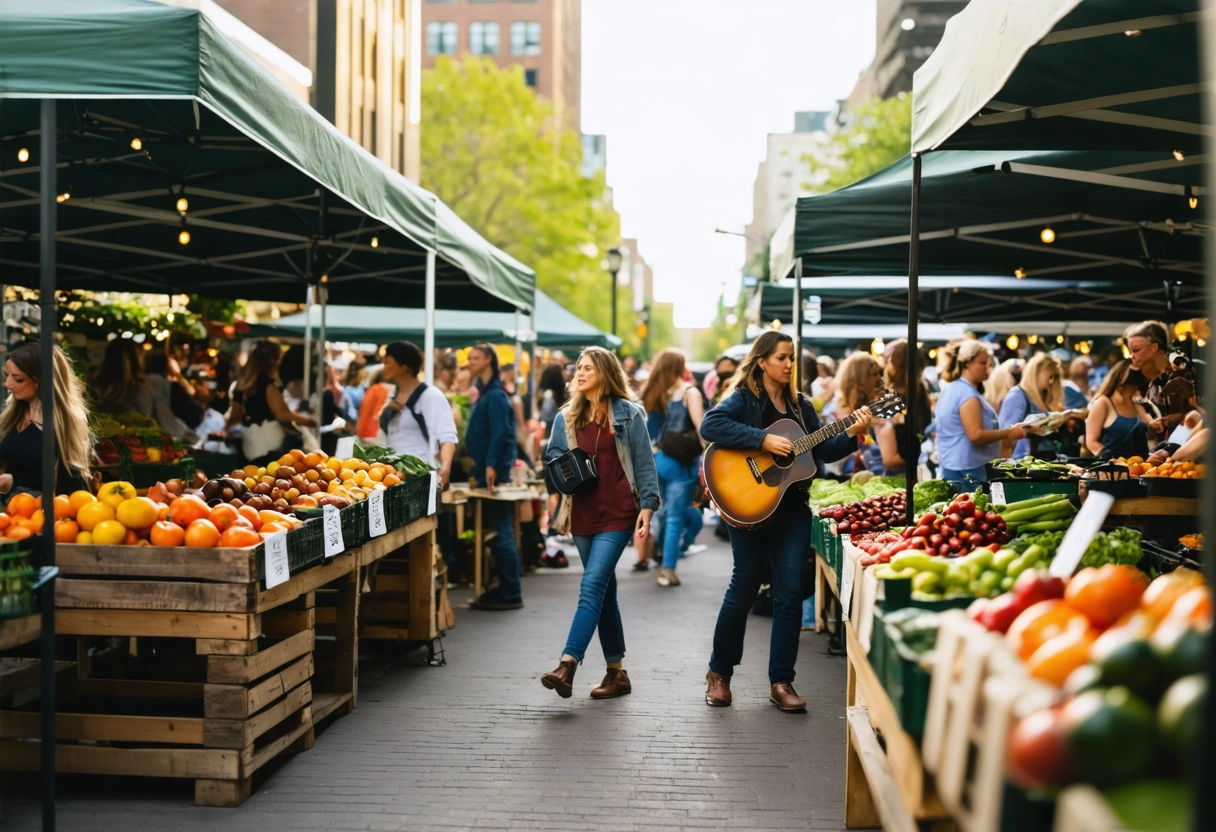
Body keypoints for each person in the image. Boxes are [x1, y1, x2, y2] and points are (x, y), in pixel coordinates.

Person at [700, 331, 872, 712]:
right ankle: (719, 674)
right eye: (782, 357)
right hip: (748, 508)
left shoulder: (800, 406)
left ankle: (781, 681)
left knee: (789, 595)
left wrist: (853, 434)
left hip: (791, 509)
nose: (789, 364)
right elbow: (710, 426)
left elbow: (822, 449)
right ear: (762, 361)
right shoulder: (744, 399)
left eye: (791, 358)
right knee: (742, 591)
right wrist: (762, 439)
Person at [538, 348, 659, 699]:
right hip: (583, 513)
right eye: (578, 367)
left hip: (619, 511)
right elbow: (553, 459)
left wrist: (647, 507)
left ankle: (568, 664)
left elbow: (644, 463)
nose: (579, 372)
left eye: (587, 368)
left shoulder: (629, 415)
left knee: (591, 585)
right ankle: (617, 674)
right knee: (604, 593)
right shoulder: (566, 417)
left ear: (604, 373)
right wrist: (568, 464)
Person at [465, 343, 525, 611]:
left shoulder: (496, 396)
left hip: (494, 472)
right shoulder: (487, 394)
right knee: (499, 530)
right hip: (488, 470)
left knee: (502, 531)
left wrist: (491, 465)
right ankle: (506, 587)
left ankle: (510, 591)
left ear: (488, 360)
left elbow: (501, 432)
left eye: (475, 358)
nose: (470, 362)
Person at [641, 348, 706, 588]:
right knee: (679, 517)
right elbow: (702, 430)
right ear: (681, 367)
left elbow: (648, 433)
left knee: (667, 513)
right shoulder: (691, 392)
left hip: (658, 461)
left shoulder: (653, 394)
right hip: (682, 464)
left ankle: (662, 556)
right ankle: (667, 568)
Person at [0, 342, 94, 496]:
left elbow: (68, 481)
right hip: (15, 509)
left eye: (18, 379)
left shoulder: (59, 424)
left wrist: (12, 481)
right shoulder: (14, 414)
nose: (7, 384)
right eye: (7, 375)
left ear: (40, 382)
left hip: (54, 511)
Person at [935, 340, 1025, 484]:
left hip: (954, 468)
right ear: (967, 363)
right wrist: (1008, 433)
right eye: (982, 363)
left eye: (988, 364)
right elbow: (975, 435)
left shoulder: (953, 389)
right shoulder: (967, 395)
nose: (987, 368)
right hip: (967, 473)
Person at [378, 341, 457, 489]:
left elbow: (448, 437)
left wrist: (445, 469)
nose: (384, 367)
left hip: (421, 475)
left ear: (405, 366)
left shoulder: (430, 395)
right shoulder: (392, 395)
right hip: (393, 476)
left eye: (388, 362)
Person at [226, 341, 317, 464]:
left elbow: (234, 417)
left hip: (249, 443)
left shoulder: (241, 387)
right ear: (272, 361)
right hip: (269, 444)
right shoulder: (267, 385)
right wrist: (309, 421)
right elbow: (283, 414)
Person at [92, 338, 197, 442]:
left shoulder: (95, 384)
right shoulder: (141, 386)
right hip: (131, 444)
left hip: (100, 442)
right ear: (136, 359)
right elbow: (145, 417)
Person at [874, 339, 932, 474]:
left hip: (896, 470)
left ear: (895, 364)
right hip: (918, 465)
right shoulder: (921, 391)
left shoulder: (892, 399)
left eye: (888, 360)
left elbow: (889, 459)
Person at [999, 352, 1063, 459]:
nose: (1051, 381)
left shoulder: (1042, 397)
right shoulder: (1018, 395)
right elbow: (1007, 433)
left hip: (1042, 458)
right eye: (1049, 376)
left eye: (1054, 377)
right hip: (1022, 459)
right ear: (1036, 373)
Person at [1124, 321, 1180, 439]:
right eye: (1130, 351)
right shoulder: (1151, 383)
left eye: (1136, 350)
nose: (1131, 356)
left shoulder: (1183, 373)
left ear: (1154, 347)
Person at [1085, 359, 1152, 459]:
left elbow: (1150, 432)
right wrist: (1110, 456)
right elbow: (1091, 442)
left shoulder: (1137, 406)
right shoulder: (1103, 403)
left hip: (1140, 466)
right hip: (1113, 468)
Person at [356, 367, 390, 442]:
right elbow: (377, 414)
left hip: (362, 431)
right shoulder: (382, 390)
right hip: (372, 433)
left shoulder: (372, 389)